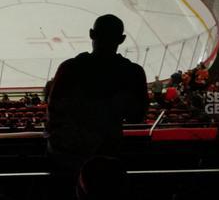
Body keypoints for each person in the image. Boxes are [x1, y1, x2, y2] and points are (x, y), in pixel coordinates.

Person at [46, 14, 148, 170]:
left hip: (67, 152)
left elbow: (54, 110)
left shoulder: (70, 68)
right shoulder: (133, 73)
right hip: (107, 152)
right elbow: (137, 116)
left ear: (91, 34)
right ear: (121, 39)